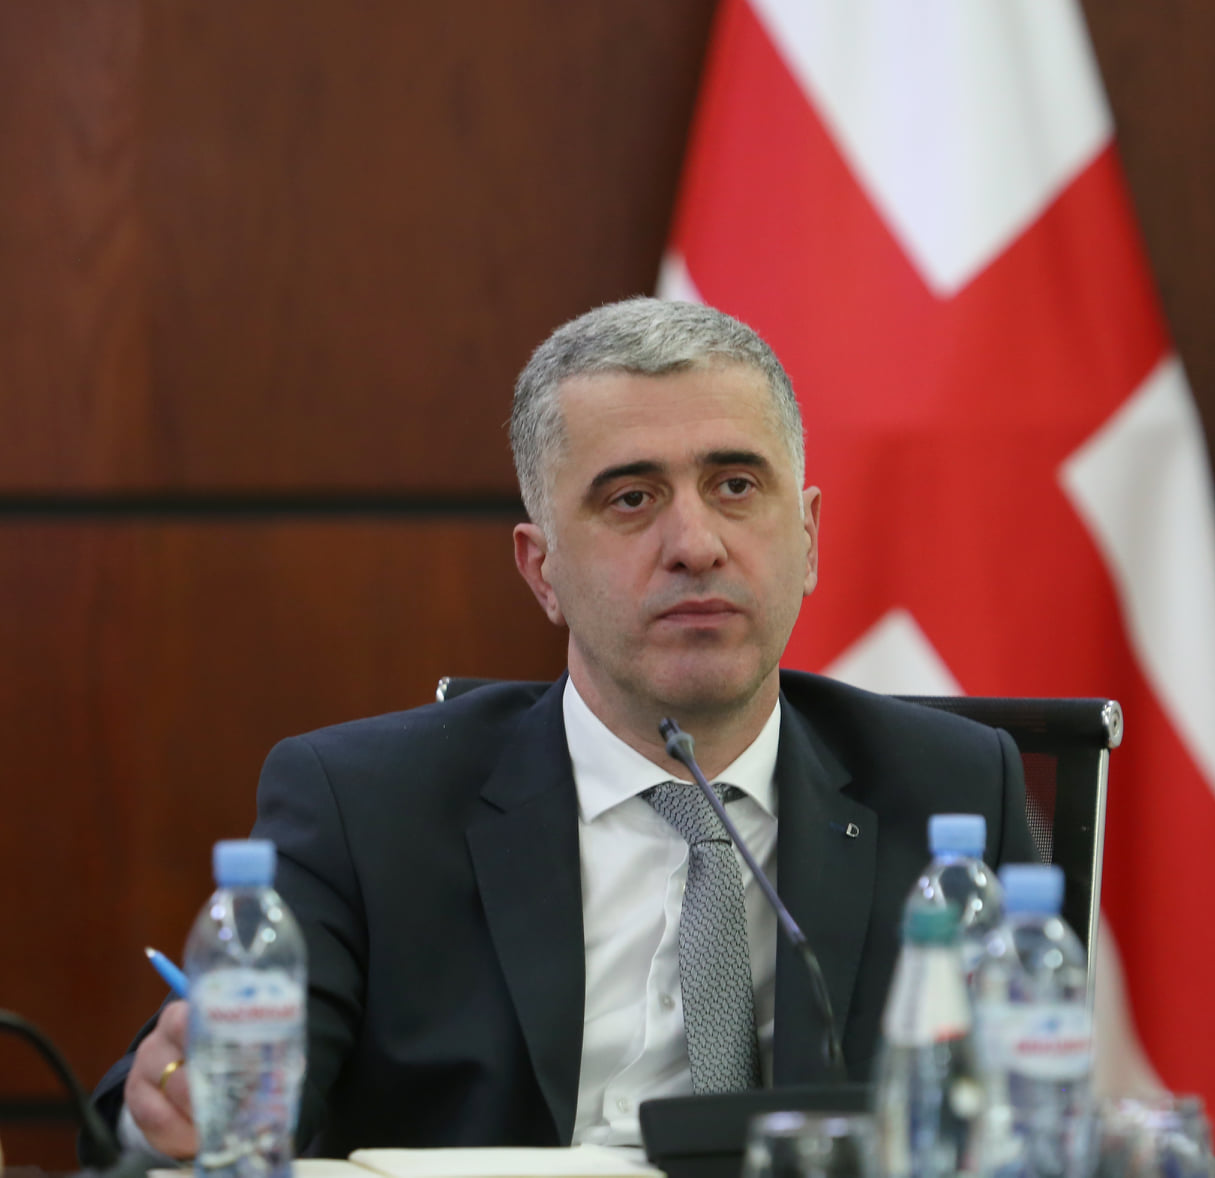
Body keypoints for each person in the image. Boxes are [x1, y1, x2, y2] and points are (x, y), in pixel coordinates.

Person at [90, 297, 1035, 1157]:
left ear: (810, 538)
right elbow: (217, 1099)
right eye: (632, 499)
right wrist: (178, 1102)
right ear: (540, 571)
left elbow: (1031, 1121)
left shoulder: (951, 791)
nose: (696, 544)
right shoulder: (364, 808)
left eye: (737, 485)